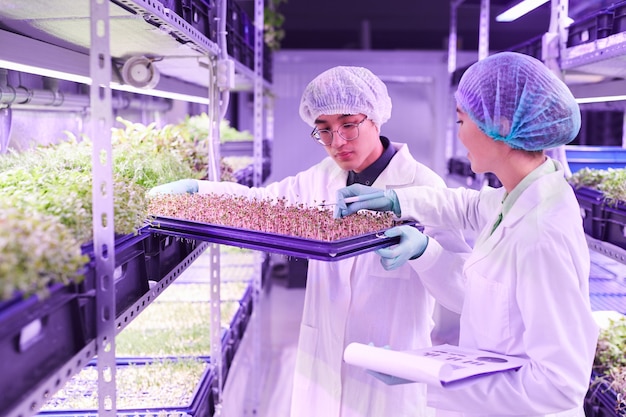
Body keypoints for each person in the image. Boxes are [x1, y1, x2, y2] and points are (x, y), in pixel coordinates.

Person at [149, 65, 470, 417]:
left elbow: (463, 292)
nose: (338, 142)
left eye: (349, 125)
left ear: (375, 118)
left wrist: (425, 253)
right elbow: (263, 203)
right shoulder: (320, 178)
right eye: (324, 130)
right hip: (322, 366)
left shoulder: (424, 187)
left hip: (388, 373)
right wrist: (201, 191)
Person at [334, 52, 599, 416]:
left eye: (461, 121)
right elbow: (470, 207)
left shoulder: (540, 236)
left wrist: (432, 377)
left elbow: (559, 387)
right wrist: (396, 200)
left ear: (501, 126)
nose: (459, 136)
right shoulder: (522, 193)